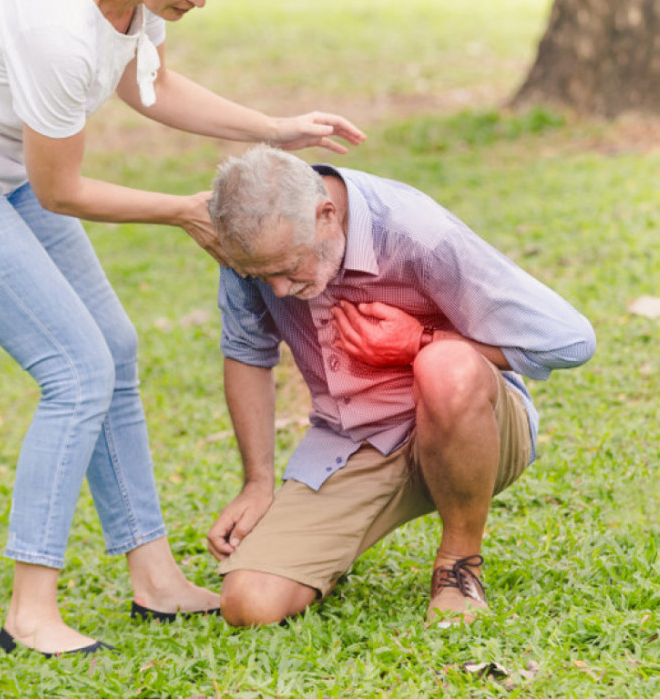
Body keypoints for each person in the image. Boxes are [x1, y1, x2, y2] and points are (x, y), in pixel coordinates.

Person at [0, 0, 364, 657]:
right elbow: (59, 189)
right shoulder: (56, 27)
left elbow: (151, 83)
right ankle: (30, 613)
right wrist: (180, 210)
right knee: (74, 370)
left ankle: (155, 578)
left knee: (116, 351)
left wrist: (274, 127)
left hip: (5, 168)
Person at [204, 146, 595, 627]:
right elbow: (247, 352)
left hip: (472, 422)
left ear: (326, 214)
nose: (279, 290)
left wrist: (419, 339)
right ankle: (330, 549)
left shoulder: (415, 230)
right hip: (355, 445)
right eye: (263, 276)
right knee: (250, 605)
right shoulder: (249, 248)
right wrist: (257, 483)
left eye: (289, 267)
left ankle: (458, 567)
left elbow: (571, 341)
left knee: (444, 364)